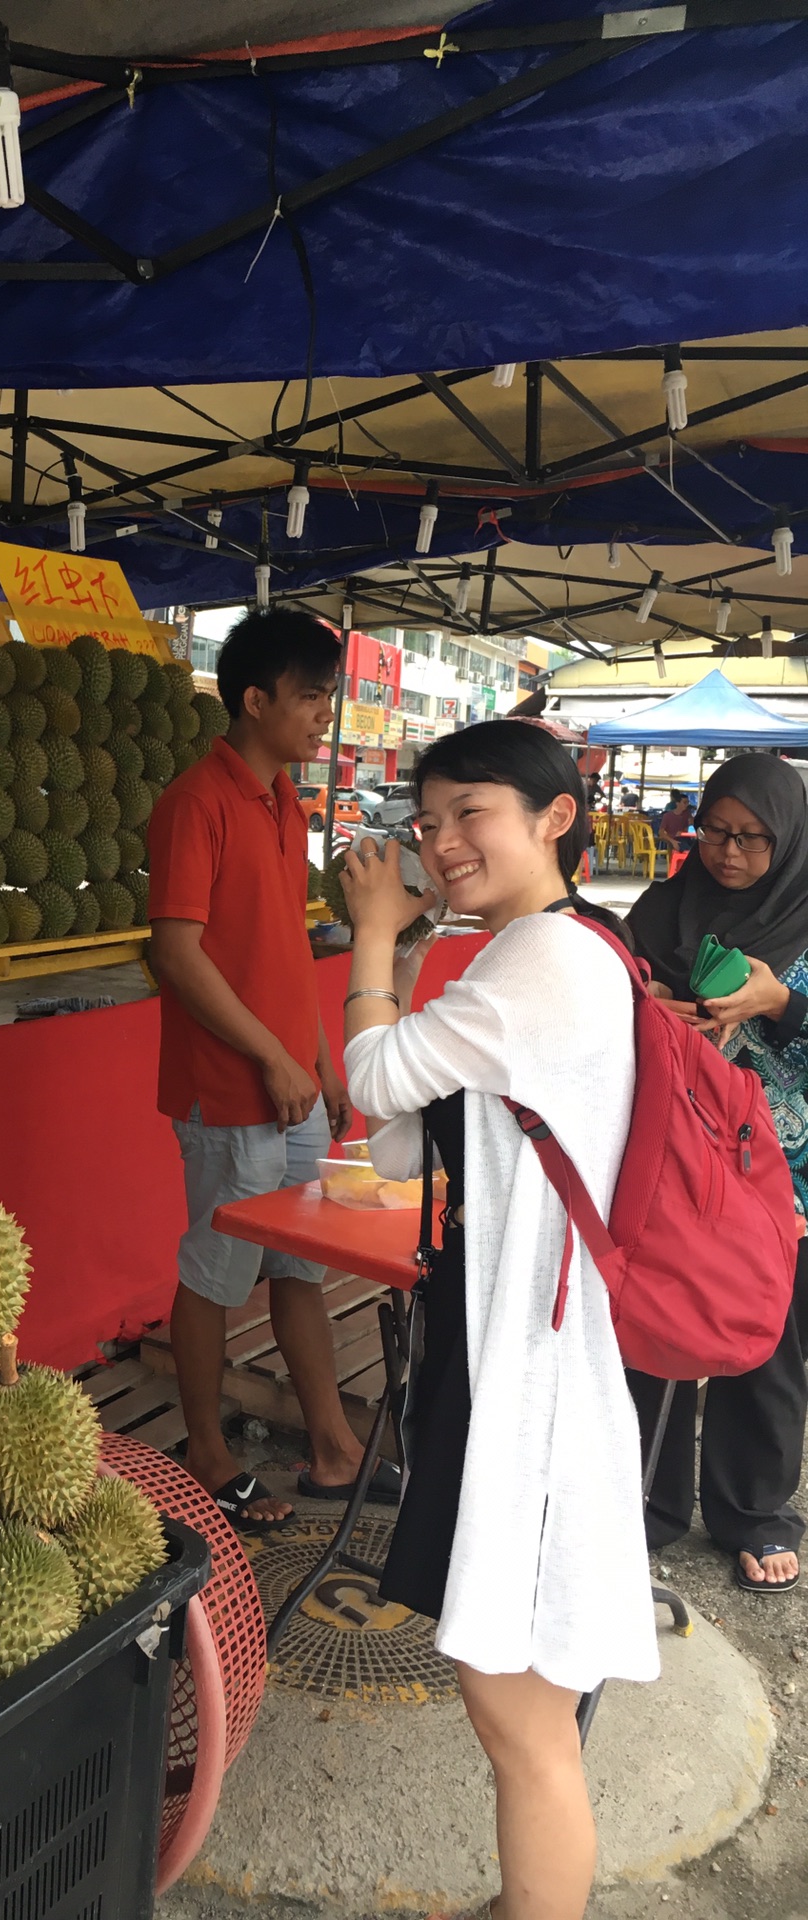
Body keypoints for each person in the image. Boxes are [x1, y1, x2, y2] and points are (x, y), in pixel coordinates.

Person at [339, 721, 656, 1920]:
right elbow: (410, 1130)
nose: (439, 843)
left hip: (536, 1362)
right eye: (426, 824)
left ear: (554, 818)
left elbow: (370, 1084)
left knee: (518, 1713)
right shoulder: (536, 953)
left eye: (470, 812)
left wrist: (376, 937)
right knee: (517, 1702)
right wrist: (413, 965)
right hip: (511, 1352)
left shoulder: (546, 961)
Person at [148, 608, 389, 1531]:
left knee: (300, 1266)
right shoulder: (195, 802)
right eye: (312, 694)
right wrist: (272, 1057)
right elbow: (178, 950)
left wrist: (321, 1059)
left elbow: (283, 945)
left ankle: (332, 1444)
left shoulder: (286, 801)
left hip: (294, 1085)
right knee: (215, 1267)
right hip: (230, 1091)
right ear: (254, 701)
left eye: (328, 692)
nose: (326, 711)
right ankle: (206, 1451)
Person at [626, 756, 808, 1595]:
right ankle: (645, 1503)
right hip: (679, 1161)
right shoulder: (664, 907)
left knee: (767, 1337)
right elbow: (608, 997)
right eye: (715, 832)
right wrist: (646, 1010)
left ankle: (754, 1509)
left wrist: (780, 1005)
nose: (728, 853)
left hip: (785, 1174)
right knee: (661, 1319)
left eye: (752, 839)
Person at [657, 788, 693, 854]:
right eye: (685, 802)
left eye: (688, 802)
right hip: (675, 839)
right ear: (677, 803)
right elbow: (661, 832)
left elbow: (691, 828)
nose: (687, 805)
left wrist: (690, 825)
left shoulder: (687, 814)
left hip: (686, 838)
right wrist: (672, 841)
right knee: (688, 851)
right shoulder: (668, 816)